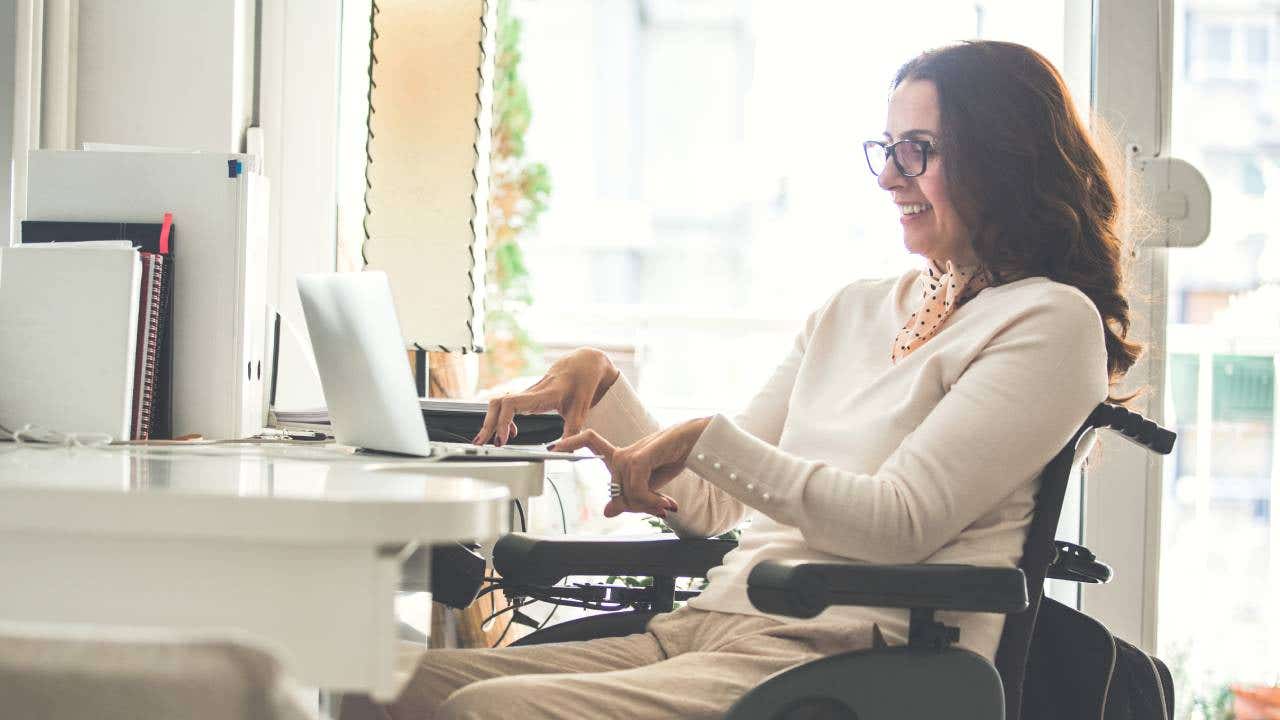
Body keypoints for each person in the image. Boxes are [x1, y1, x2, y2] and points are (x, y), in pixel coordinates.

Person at [363, 40, 1142, 720]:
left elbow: (900, 522)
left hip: (838, 656)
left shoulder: (1048, 323)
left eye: (921, 151)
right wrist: (602, 388)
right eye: (887, 148)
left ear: (1001, 160)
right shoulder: (855, 309)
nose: (890, 179)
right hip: (707, 627)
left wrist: (704, 436)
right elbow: (708, 501)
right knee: (370, 687)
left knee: (480, 713)